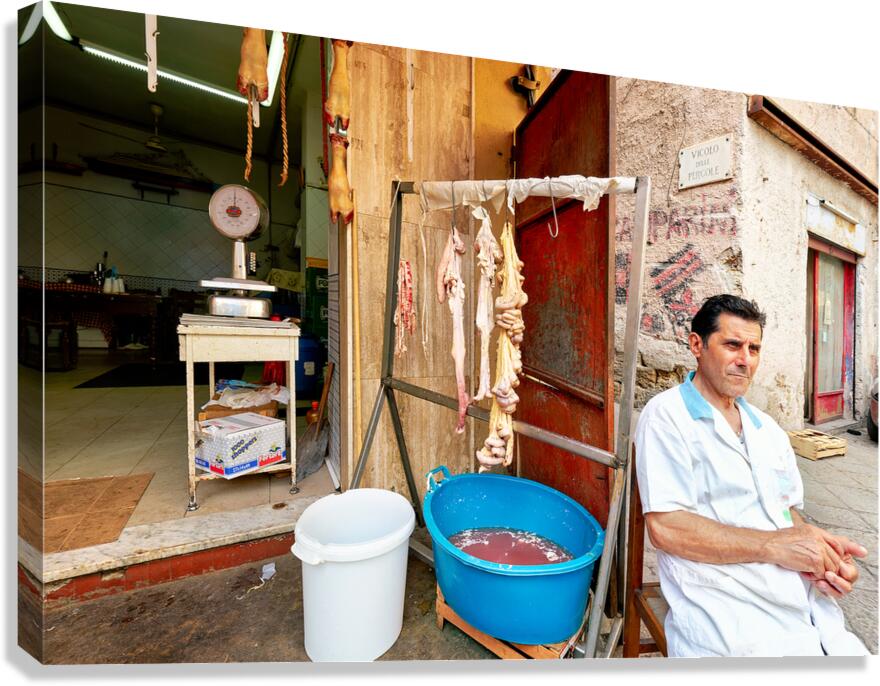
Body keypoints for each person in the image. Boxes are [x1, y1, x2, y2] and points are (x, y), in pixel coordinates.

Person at [634, 294, 869, 657]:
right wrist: (774, 546)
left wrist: (825, 560)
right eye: (732, 345)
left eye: (754, 348)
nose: (745, 360)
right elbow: (666, 529)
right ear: (697, 344)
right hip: (729, 613)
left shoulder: (769, 430)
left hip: (808, 607)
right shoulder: (667, 416)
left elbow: (788, 512)